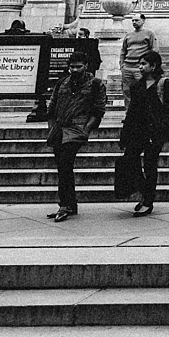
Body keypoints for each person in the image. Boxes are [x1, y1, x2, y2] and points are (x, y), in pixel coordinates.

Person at [118, 51, 169, 216]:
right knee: (130, 158)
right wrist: (125, 134)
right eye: (139, 64)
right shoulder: (137, 86)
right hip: (138, 130)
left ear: (153, 66)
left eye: (144, 64)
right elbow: (132, 112)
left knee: (150, 163)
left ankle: (148, 200)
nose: (140, 67)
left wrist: (162, 126)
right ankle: (145, 192)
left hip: (157, 132)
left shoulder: (164, 84)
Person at [44, 51, 107, 222]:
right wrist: (52, 127)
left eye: (79, 66)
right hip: (59, 129)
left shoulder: (95, 84)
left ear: (86, 66)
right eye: (72, 67)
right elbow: (52, 106)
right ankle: (69, 203)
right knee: (63, 167)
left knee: (65, 163)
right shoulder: (62, 83)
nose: (75, 70)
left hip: (77, 129)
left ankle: (66, 204)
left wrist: (86, 129)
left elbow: (98, 110)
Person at [119, 13, 157, 110]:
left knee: (142, 90)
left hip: (140, 68)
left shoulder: (149, 33)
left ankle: (142, 114)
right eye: (132, 20)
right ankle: (128, 113)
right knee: (127, 91)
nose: (134, 22)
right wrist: (122, 65)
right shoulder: (128, 35)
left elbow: (154, 50)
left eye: (137, 20)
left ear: (143, 21)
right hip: (127, 67)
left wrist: (149, 65)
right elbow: (123, 50)